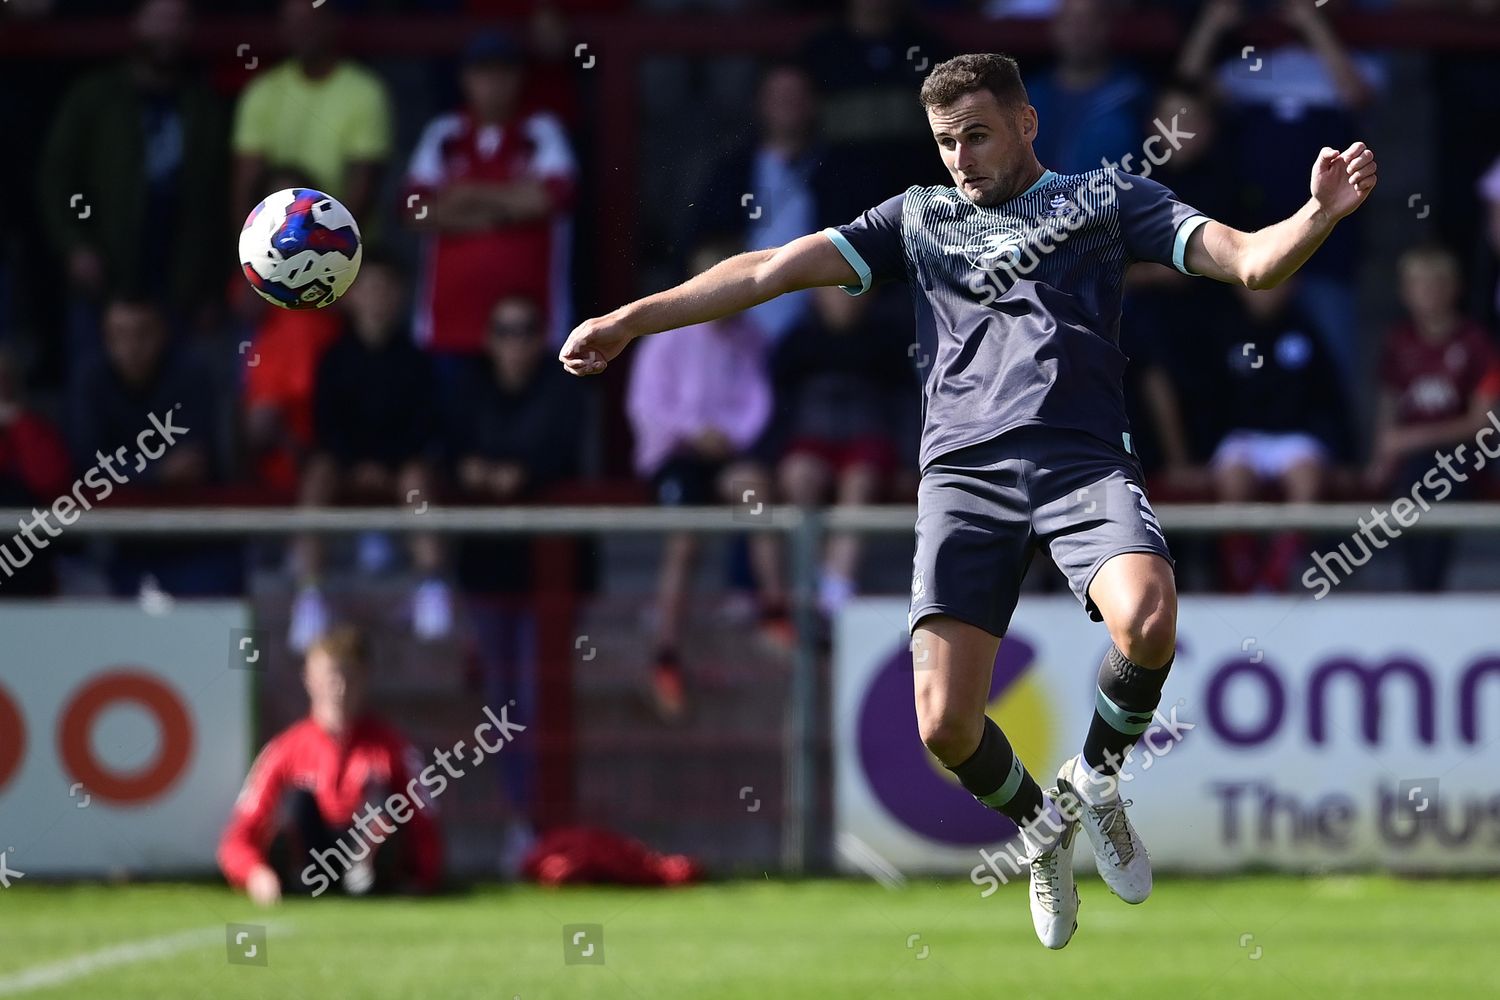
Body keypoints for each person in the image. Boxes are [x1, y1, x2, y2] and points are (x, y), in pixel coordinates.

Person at [559, 53, 1377, 948]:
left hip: (1081, 461)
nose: (960, 157)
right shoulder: (918, 219)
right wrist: (631, 319)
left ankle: (1096, 781)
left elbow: (1250, 263)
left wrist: (1315, 215)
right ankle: (1039, 824)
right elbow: (770, 270)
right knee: (944, 726)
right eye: (946, 140)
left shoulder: (1102, 203)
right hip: (962, 479)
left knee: (1146, 618)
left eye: (977, 135)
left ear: (1028, 124)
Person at [446, 292, 587, 872]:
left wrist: (513, 471)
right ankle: (521, 824)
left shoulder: (564, 388)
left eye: (526, 329)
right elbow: (451, 452)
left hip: (551, 577)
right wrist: (478, 470)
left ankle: (546, 825)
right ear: (488, 340)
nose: (515, 341)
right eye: (503, 330)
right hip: (489, 571)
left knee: (540, 696)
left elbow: (558, 453)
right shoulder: (467, 392)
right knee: (503, 704)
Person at [625, 241, 788, 720]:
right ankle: (666, 652)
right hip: (676, 455)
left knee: (755, 490)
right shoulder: (664, 335)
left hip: (729, 454)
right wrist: (697, 435)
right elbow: (647, 409)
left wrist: (730, 436)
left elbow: (758, 400)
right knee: (685, 539)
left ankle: (775, 612)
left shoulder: (751, 337)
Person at [38, 0, 227, 376]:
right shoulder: (95, 96)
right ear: (137, 23)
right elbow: (59, 179)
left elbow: (217, 202)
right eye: (159, 18)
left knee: (176, 396)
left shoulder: (204, 105)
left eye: (178, 20)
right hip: (104, 272)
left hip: (179, 282)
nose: (168, 31)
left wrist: (211, 287)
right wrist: (75, 243)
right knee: (95, 386)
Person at [218, 625, 444, 905]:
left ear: (364, 679)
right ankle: (299, 870)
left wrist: (421, 879)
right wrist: (255, 875)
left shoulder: (394, 749)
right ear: (309, 680)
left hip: (367, 858)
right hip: (308, 857)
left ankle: (366, 872)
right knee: (295, 802)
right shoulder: (283, 750)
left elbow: (426, 828)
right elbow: (238, 837)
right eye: (328, 677)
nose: (338, 688)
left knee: (383, 804)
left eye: (348, 676)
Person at [290, 254, 446, 652]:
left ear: (399, 297)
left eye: (386, 288)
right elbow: (325, 424)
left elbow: (423, 424)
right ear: (350, 296)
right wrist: (357, 466)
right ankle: (309, 595)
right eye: (368, 288)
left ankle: (431, 587)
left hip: (398, 469)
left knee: (417, 479)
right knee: (317, 475)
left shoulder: (416, 360)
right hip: (343, 467)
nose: (377, 297)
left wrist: (385, 466)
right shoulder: (333, 357)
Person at [405, 30, 577, 357]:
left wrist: (465, 195)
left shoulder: (542, 130)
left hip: (531, 331)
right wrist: (508, 211)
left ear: (519, 77)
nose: (492, 82)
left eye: (503, 71)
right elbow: (414, 210)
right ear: (465, 78)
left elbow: (551, 199)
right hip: (449, 326)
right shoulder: (443, 133)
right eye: (482, 71)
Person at [1203, 279, 1351, 592]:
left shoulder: (1306, 331)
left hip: (1294, 437)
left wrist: (1343, 454)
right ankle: (1240, 580)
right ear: (1240, 288)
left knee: (1306, 479)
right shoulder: (1223, 332)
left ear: (1292, 287)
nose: (1267, 293)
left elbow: (1330, 398)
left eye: (1276, 284)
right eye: (1258, 286)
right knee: (1233, 481)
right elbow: (1209, 402)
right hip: (1242, 436)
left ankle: (1273, 579)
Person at [1367, 245, 1500, 590]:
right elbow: (1388, 410)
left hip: (1466, 458)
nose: (1428, 293)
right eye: (1419, 284)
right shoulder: (1398, 342)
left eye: (1436, 284)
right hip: (1411, 462)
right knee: (1412, 476)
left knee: (1432, 475)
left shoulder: (1476, 343)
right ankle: (1419, 587)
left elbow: (1483, 422)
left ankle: (1427, 588)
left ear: (1454, 288)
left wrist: (1412, 439)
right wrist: (1382, 457)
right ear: (1405, 292)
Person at [231, 0, 392, 232]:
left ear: (332, 23)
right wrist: (247, 249)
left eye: (309, 20)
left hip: (343, 244)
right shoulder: (261, 91)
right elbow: (245, 187)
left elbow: (363, 190)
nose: (300, 30)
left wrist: (329, 248)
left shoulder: (365, 93)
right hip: (272, 242)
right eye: (292, 21)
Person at [1023, 0, 1150, 175]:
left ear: (1108, 26)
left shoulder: (1133, 93)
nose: (1080, 31)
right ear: (1054, 27)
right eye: (1070, 21)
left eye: (1090, 21)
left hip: (1117, 198)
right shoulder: (1030, 95)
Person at [0, 346, 71, 596]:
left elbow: (50, 485)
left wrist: (18, 424)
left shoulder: (35, 429)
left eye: (3, 381)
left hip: (30, 563)